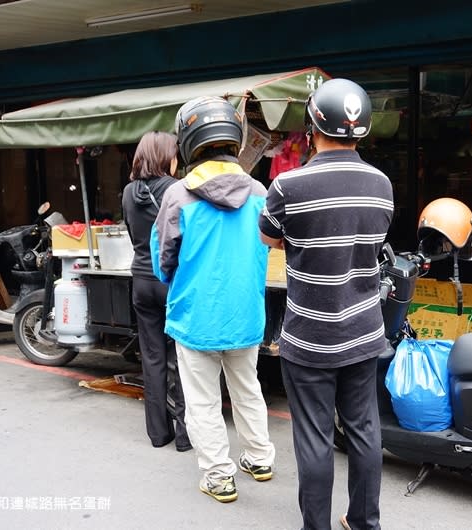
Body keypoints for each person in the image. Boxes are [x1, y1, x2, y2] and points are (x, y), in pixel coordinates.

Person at [259, 78, 393, 530]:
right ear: (363, 129)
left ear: (312, 125)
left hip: (309, 336)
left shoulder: (288, 185)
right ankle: (363, 522)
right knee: (364, 431)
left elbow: (267, 237)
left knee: (314, 440)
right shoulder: (382, 184)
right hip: (363, 331)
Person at [152, 96, 275, 503]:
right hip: (245, 313)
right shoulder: (260, 191)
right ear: (234, 141)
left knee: (203, 401)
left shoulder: (178, 195)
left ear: (189, 142)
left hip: (195, 315)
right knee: (248, 388)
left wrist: (179, 280)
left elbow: (163, 258)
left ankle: (219, 477)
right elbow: (267, 246)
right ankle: (259, 458)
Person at [121, 131, 190, 452]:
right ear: (166, 157)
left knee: (151, 358)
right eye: (175, 154)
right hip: (171, 280)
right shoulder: (177, 190)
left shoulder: (127, 193)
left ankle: (158, 433)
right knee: (181, 356)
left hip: (141, 281)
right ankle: (185, 434)